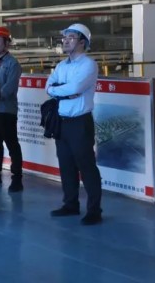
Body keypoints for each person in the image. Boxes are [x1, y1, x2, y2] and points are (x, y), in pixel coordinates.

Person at [45, 23, 102, 226]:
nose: (65, 41)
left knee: (86, 167)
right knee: (66, 165)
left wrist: (61, 90)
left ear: (82, 42)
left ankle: (94, 210)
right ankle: (70, 204)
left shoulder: (88, 65)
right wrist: (63, 91)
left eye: (71, 37)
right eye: (65, 37)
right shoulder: (61, 66)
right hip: (62, 123)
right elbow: (48, 87)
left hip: (80, 123)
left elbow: (76, 88)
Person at [0, 26, 24, 192]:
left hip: (6, 111)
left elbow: (9, 89)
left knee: (12, 144)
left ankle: (17, 178)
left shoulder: (12, 64)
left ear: (6, 43)